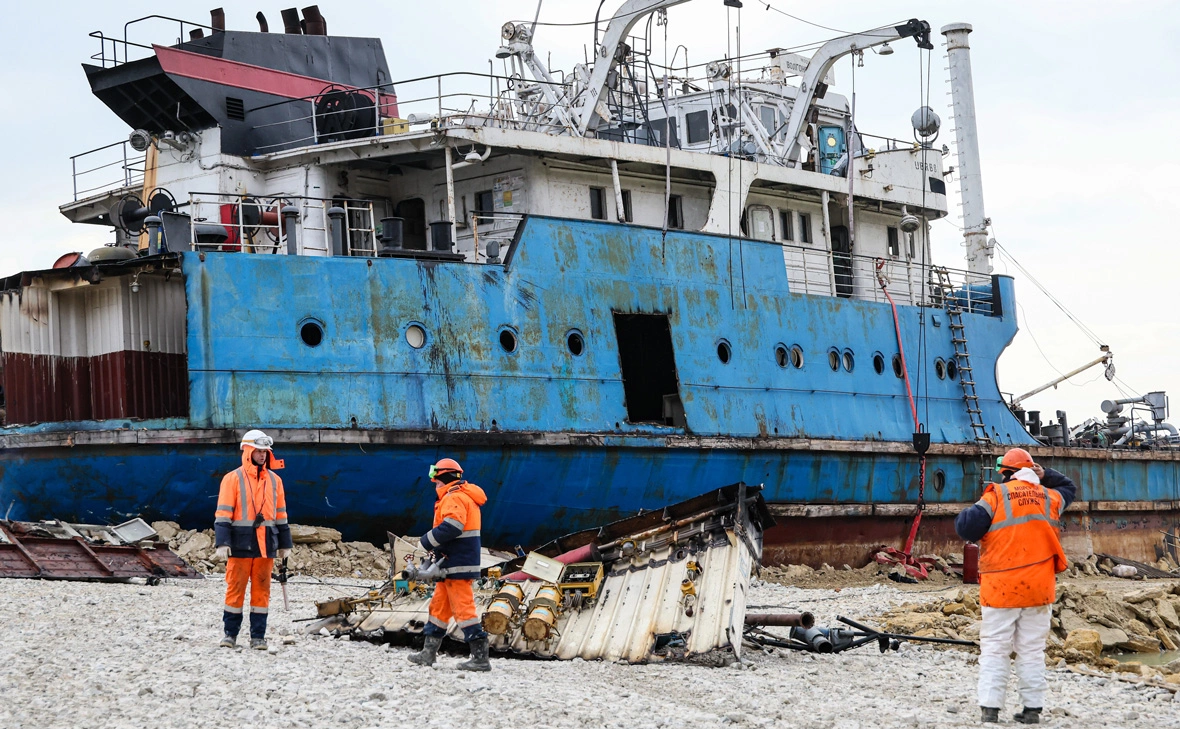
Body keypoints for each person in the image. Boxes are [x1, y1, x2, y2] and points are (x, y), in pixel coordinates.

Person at [955, 447, 1076, 725]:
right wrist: (1045, 475)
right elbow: (1069, 486)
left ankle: (990, 710)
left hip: (1001, 588)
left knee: (996, 648)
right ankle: (1032, 710)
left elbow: (966, 528)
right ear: (1031, 471)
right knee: (1032, 650)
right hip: (1039, 589)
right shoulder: (1051, 497)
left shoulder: (996, 495)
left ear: (1005, 473)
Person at [407, 457, 491, 671]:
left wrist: (425, 542)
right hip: (451, 563)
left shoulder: (453, 498)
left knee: (464, 609)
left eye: (436, 482)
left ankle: (480, 658)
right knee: (438, 608)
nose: (436, 486)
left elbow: (452, 526)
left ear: (444, 478)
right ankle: (428, 653)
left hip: (457, 564)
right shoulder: (463, 496)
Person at [214, 429, 293, 650]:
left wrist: (285, 544)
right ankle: (230, 635)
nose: (263, 455)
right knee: (235, 589)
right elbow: (223, 514)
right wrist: (222, 542)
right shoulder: (232, 479)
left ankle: (258, 637)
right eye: (259, 451)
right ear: (248, 451)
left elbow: (281, 515)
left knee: (262, 591)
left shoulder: (276, 481)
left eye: (265, 451)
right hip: (239, 544)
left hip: (266, 545)